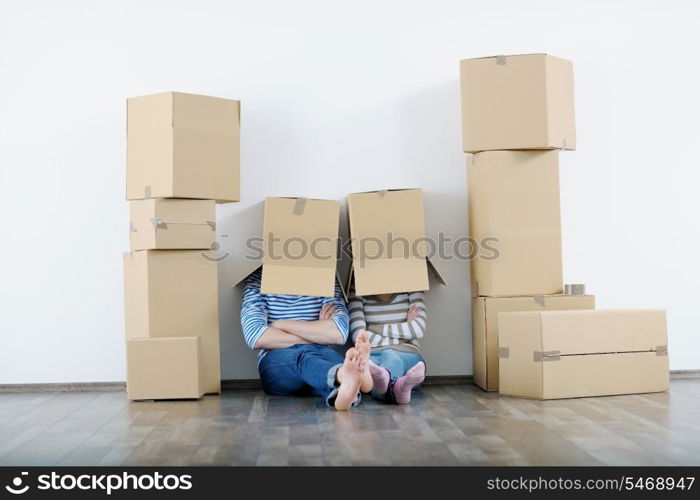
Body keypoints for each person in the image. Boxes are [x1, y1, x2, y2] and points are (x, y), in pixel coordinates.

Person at [241, 269, 372, 410]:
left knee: (336, 362)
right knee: (303, 356)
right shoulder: (258, 280)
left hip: (319, 355)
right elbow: (255, 336)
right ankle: (341, 375)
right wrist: (318, 333)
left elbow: (338, 333)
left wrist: (282, 325)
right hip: (277, 362)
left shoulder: (325, 275)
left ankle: (344, 395)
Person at [348, 290, 426, 404]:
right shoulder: (357, 286)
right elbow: (360, 337)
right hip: (372, 355)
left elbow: (418, 329)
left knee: (390, 355)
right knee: (368, 374)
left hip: (407, 355)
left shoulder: (413, 284)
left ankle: (386, 378)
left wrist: (375, 328)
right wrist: (405, 330)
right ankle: (400, 390)